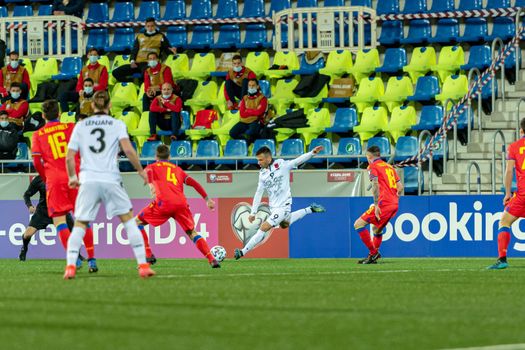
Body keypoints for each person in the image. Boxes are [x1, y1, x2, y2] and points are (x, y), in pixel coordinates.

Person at [64, 91, 154, 279]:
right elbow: (128, 149)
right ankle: (143, 265)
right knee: (129, 221)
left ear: (92, 106)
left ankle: (70, 267)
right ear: (109, 105)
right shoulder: (117, 124)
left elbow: (69, 156)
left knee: (80, 223)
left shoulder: (81, 125)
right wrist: (140, 171)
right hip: (111, 179)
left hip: (88, 179)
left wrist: (72, 176)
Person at [31, 100, 97, 272]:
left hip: (54, 179)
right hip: (74, 176)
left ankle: (74, 258)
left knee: (60, 221)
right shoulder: (71, 128)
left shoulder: (38, 135)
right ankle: (91, 259)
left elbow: (37, 161)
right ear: (59, 114)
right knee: (82, 218)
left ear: (43, 115)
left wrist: (46, 177)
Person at [234, 146, 326, 259]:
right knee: (284, 224)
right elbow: (259, 193)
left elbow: (297, 161)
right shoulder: (262, 174)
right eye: (258, 160)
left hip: (284, 206)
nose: (258, 162)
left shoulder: (282, 165)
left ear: (268, 158)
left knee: (264, 227)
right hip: (273, 207)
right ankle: (310, 209)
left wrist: (312, 153)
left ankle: (242, 252)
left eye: (260, 160)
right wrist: (253, 212)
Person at [136, 144, 220, 267]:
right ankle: (212, 259)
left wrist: (152, 187)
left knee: (137, 222)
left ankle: (148, 254)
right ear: (169, 156)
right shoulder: (178, 170)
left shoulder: (152, 167)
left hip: (163, 203)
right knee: (192, 233)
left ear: (156, 157)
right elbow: (194, 183)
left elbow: (147, 175)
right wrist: (207, 199)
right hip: (181, 204)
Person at [353, 146, 403, 264]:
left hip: (383, 203)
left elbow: (375, 185)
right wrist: (394, 199)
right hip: (394, 203)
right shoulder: (389, 167)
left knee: (358, 224)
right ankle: (372, 256)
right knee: (377, 229)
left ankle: (374, 252)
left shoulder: (372, 166)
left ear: (369, 156)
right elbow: (400, 187)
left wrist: (376, 205)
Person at [487, 118, 525, 269]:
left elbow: (509, 171)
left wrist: (507, 193)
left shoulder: (514, 147)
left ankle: (502, 260)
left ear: (521, 130)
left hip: (522, 194)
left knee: (504, 222)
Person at [19, 175, 76, 262]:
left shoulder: (61, 175)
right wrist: (29, 206)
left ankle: (78, 255)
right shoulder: (39, 179)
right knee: (27, 235)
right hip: (42, 212)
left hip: (59, 209)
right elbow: (26, 195)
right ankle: (24, 248)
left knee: (74, 233)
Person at [112, 18, 177, 83]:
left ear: (155, 26)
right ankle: (133, 83)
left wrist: (172, 51)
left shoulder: (161, 36)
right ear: (145, 26)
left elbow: (167, 49)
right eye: (148, 26)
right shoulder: (140, 36)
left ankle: (143, 88)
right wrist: (132, 61)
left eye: (152, 26)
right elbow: (134, 50)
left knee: (145, 74)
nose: (150, 28)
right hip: (137, 64)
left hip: (150, 63)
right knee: (115, 72)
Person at [59, 47, 108, 113]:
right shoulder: (84, 69)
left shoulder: (103, 68)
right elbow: (79, 84)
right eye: (91, 55)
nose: (93, 57)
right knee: (63, 95)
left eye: (95, 55)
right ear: (88, 56)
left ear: (97, 56)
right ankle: (66, 116)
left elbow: (103, 86)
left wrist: (92, 89)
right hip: (84, 92)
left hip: (96, 93)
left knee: (85, 98)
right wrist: (80, 90)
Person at [229, 78, 267, 144]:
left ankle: (247, 142)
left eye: (253, 85)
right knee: (232, 133)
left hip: (256, 121)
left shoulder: (262, 98)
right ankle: (249, 141)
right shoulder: (245, 98)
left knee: (249, 133)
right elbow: (242, 114)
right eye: (249, 85)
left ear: (257, 86)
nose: (251, 87)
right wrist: (253, 111)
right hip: (244, 121)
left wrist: (248, 110)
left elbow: (259, 112)